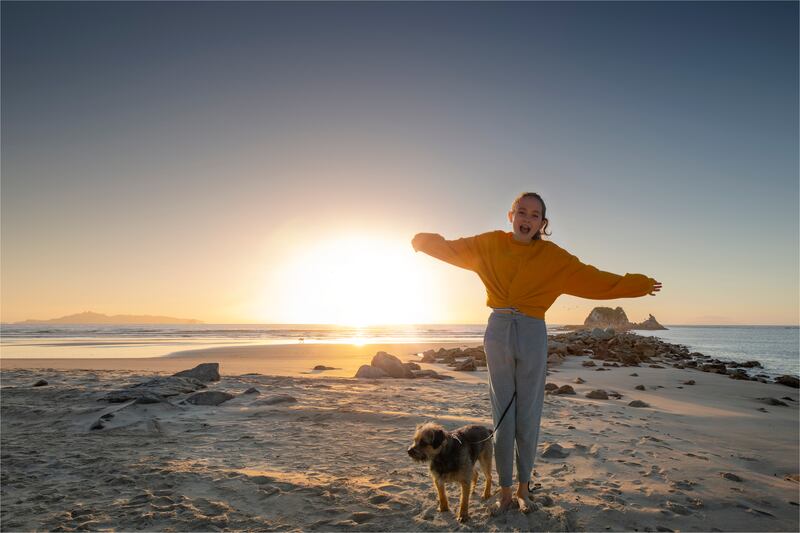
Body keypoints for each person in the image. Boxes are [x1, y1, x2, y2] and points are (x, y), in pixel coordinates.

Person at [411, 191, 662, 515]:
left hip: (532, 331)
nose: (527, 219)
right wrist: (423, 241)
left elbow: (595, 279)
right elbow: (453, 248)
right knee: (503, 419)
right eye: (522, 212)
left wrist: (638, 285)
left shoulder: (554, 258)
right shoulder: (489, 245)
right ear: (510, 215)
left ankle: (523, 490)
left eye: (534, 215)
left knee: (528, 418)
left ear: (542, 223)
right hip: (499, 330)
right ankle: (503, 493)